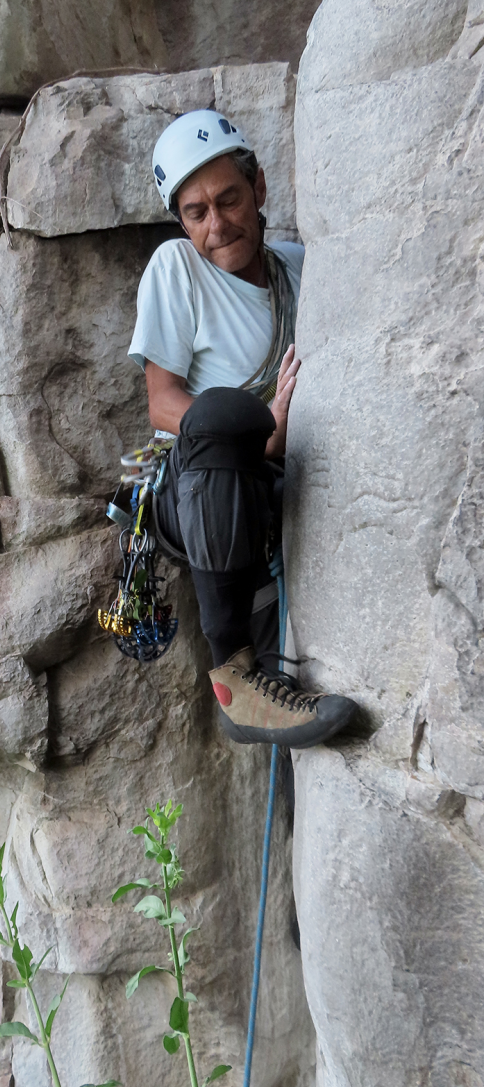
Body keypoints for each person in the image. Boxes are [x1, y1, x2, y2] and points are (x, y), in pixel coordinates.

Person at [128, 109, 356, 748]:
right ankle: (235, 680)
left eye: (229, 199)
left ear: (258, 190)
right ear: (181, 221)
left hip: (275, 477)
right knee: (222, 412)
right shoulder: (178, 268)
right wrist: (256, 430)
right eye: (196, 212)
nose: (217, 223)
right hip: (200, 488)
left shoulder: (300, 268)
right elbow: (162, 402)